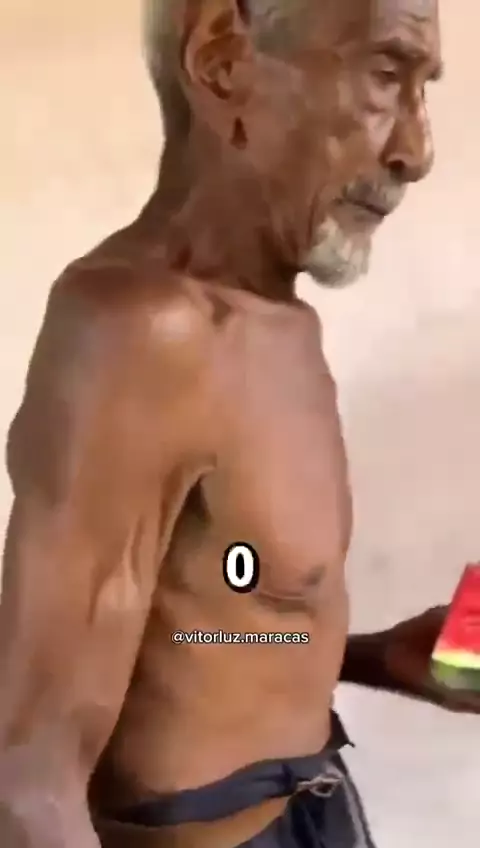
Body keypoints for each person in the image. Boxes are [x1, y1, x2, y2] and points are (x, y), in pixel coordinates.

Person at [0, 1, 477, 846]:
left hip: (320, 810)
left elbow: (205, 620)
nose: (416, 150)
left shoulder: (285, 326)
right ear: (223, 61)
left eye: (422, 89)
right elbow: (28, 778)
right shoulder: (141, 333)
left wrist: (378, 655)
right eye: (384, 75)